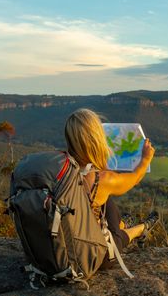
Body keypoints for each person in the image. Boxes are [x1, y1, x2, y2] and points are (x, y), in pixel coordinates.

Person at [64, 108, 160, 265]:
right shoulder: (100, 179)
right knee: (115, 238)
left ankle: (122, 224)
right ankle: (140, 229)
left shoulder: (61, 168)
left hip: (59, 247)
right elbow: (134, 178)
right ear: (96, 139)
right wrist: (145, 159)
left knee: (105, 201)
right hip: (86, 257)